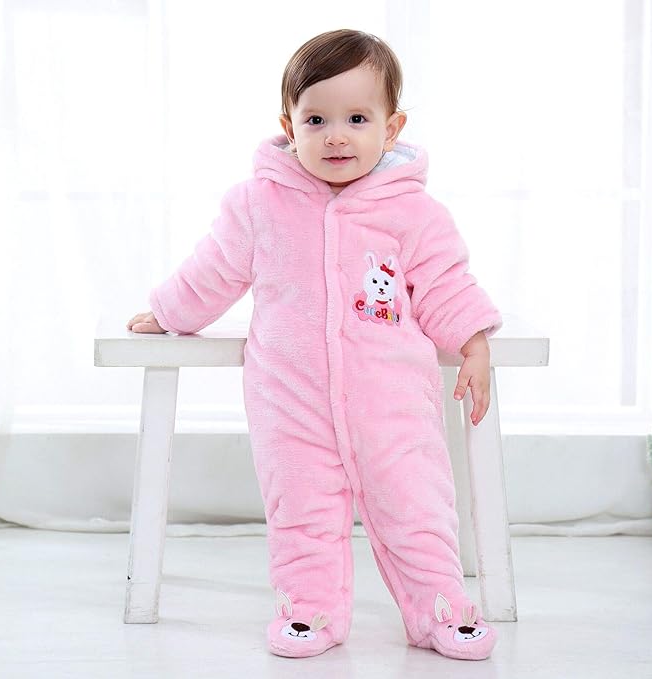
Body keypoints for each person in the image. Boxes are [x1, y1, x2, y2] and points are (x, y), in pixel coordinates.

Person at [127, 28, 502, 661]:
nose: (336, 136)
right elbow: (214, 269)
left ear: (391, 128)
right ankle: (310, 611)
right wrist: (168, 311)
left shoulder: (414, 212)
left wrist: (473, 342)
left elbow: (444, 282)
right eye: (316, 119)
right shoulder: (258, 205)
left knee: (417, 506)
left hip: (391, 402)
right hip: (291, 400)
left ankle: (441, 610)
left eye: (357, 118)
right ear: (289, 125)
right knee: (301, 513)